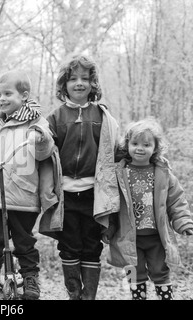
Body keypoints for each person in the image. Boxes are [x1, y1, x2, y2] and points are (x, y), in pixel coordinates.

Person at [0, 70, 61, 300]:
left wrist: (41, 138)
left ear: (24, 96)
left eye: (8, 93)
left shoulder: (36, 122)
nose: (2, 98)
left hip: (23, 195)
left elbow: (45, 150)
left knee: (24, 240)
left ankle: (30, 277)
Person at [39, 54, 120, 300]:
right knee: (69, 244)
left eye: (85, 78)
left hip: (94, 195)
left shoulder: (102, 116)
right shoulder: (55, 117)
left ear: (93, 84)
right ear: (64, 85)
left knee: (92, 245)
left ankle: (89, 296)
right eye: (73, 79)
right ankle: (74, 293)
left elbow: (115, 149)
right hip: (65, 196)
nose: (79, 83)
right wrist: (36, 134)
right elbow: (43, 149)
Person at [103, 118, 193, 300]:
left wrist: (183, 222)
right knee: (134, 275)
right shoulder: (120, 173)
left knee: (161, 272)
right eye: (135, 143)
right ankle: (138, 297)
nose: (140, 148)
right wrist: (108, 228)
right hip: (128, 237)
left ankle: (165, 297)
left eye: (146, 144)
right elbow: (111, 204)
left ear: (155, 148)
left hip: (157, 237)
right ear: (127, 145)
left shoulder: (163, 173)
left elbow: (176, 200)